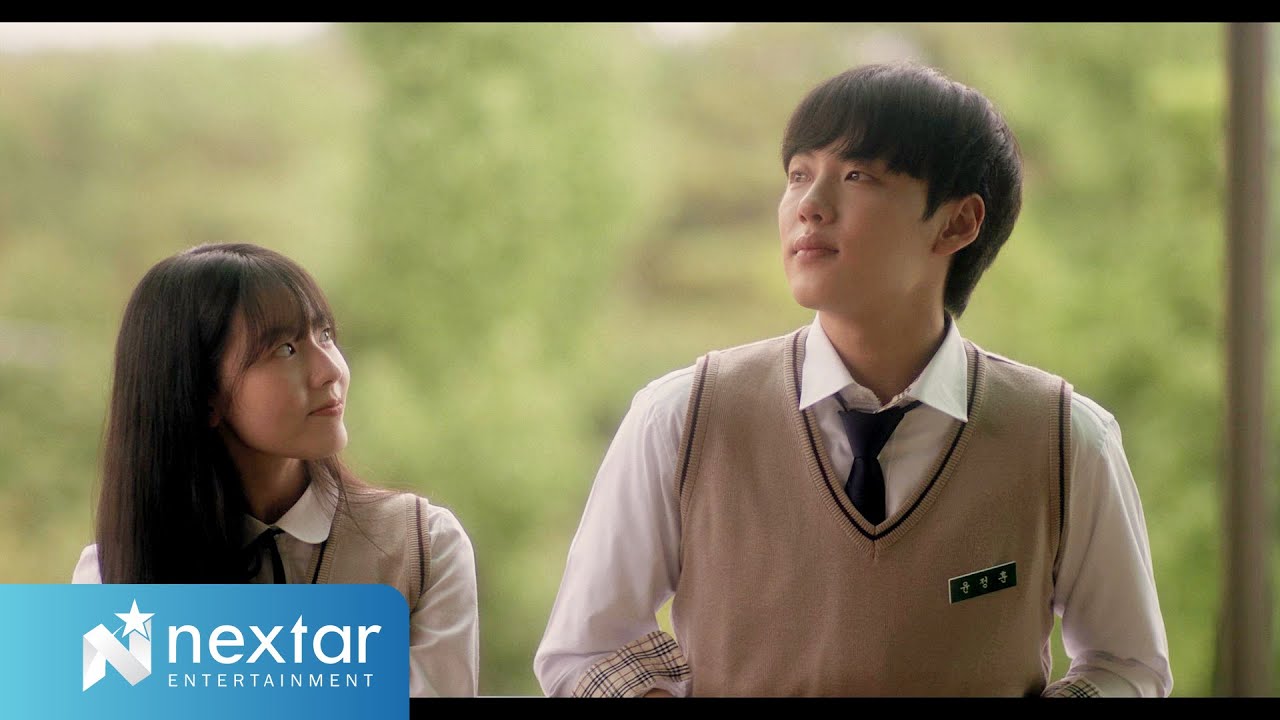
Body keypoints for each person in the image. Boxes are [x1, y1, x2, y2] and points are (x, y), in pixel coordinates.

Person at [534, 62, 1172, 698]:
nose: (809, 206)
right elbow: (588, 649)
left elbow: (1128, 666)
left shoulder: (1064, 439)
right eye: (798, 174)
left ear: (957, 223)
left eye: (857, 176)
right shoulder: (684, 417)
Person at [71, 242, 479, 697]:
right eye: (286, 349)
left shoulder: (422, 547)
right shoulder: (111, 577)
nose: (331, 371)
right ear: (202, 394)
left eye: (325, 335)